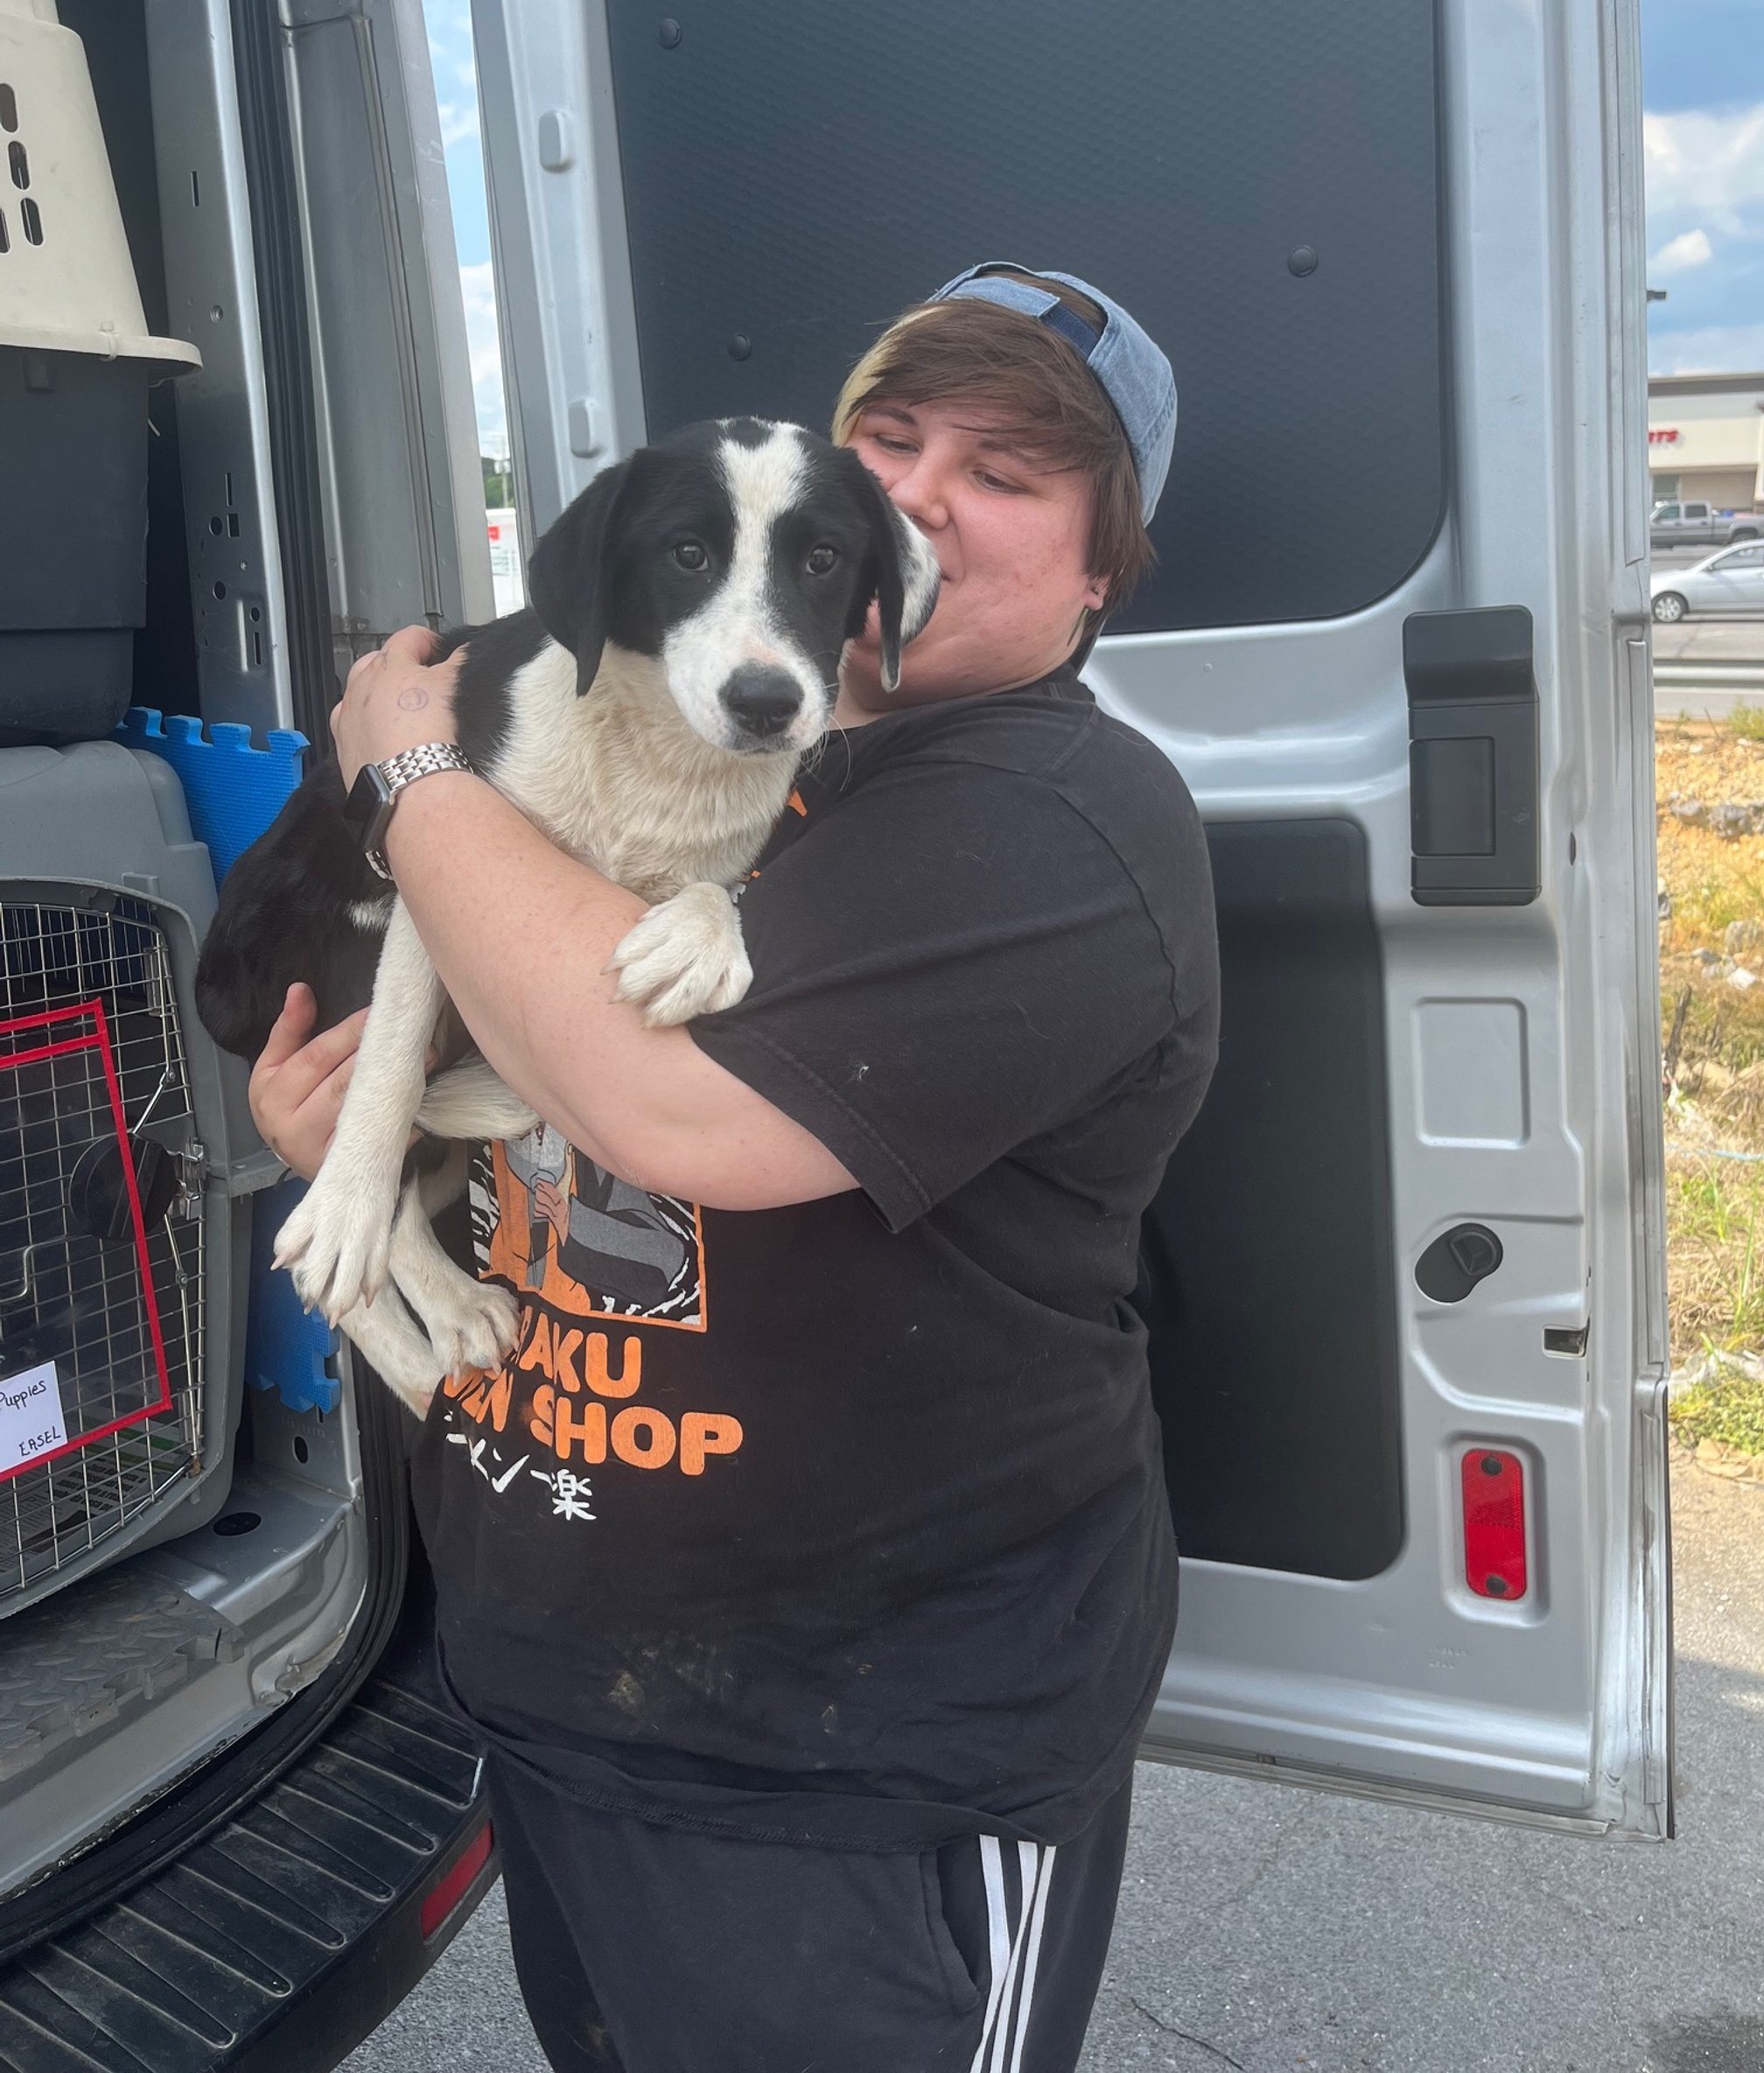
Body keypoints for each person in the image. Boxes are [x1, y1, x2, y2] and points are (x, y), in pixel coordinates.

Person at [250, 263, 1220, 2073]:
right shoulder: (748, 769)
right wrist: (361, 1145)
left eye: (1010, 470)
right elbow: (531, 1052)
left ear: (1105, 567)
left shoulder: (1048, 820)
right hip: (576, 1688)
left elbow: (671, 1123)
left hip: (857, 1771)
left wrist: (405, 771)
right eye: (894, 436)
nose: (926, 491)